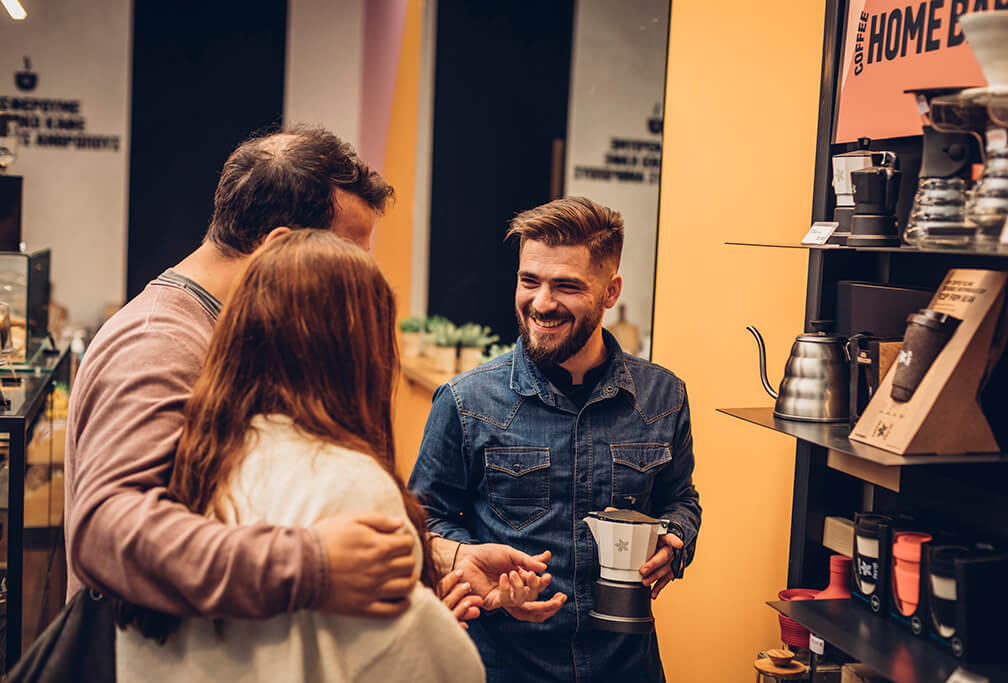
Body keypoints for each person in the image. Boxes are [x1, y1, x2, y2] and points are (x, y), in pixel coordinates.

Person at [65, 126, 543, 625]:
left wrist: (446, 556)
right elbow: (106, 530)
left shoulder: (227, 335)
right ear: (282, 249)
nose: (357, 282)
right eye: (349, 258)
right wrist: (313, 565)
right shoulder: (158, 342)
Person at [114, 230, 486, 682]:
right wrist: (433, 632)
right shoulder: (351, 483)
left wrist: (422, 611)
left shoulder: (186, 459)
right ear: (360, 353)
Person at [408, 196, 703, 682]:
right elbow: (424, 521)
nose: (541, 303)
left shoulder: (663, 396)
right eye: (530, 281)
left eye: (565, 286)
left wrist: (677, 540)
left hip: (626, 666)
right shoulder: (465, 401)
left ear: (611, 292)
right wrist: (481, 573)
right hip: (503, 664)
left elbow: (681, 498)